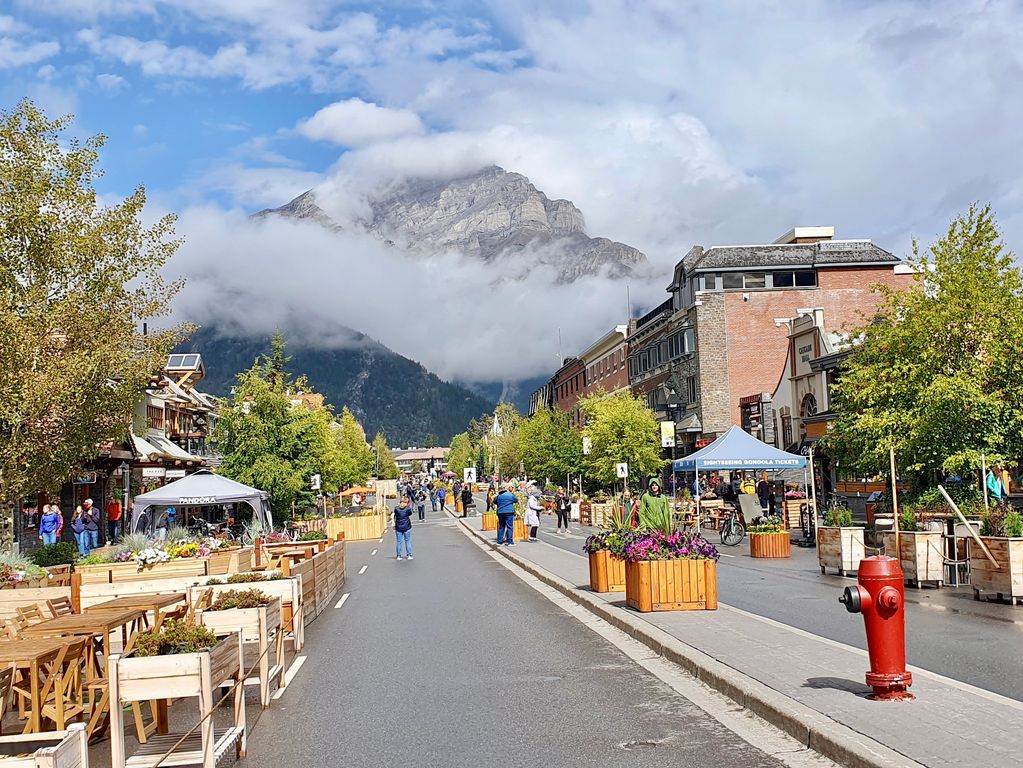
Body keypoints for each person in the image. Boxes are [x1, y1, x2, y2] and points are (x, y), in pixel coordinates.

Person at [393, 495, 414, 560]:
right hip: (406, 526)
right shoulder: (408, 509)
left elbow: (395, 515)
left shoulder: (396, 508)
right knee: (407, 541)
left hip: (398, 527)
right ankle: (409, 555)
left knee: (399, 541)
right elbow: (410, 513)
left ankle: (399, 555)